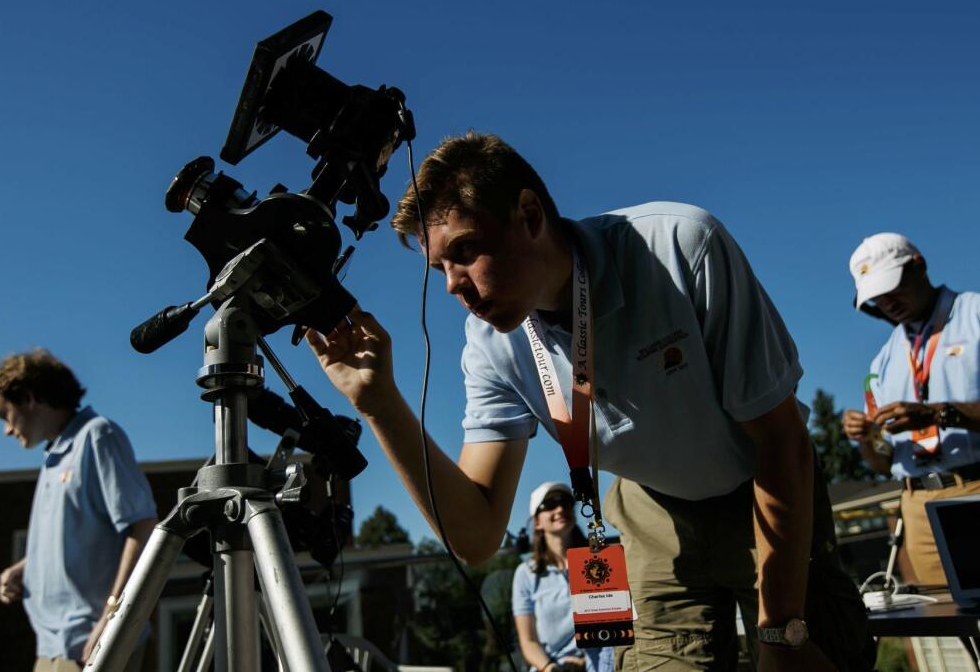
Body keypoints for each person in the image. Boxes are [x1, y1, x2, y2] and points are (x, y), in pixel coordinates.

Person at [307, 132, 874, 671]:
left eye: (466, 250)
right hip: (652, 511)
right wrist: (379, 401)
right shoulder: (490, 345)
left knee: (809, 655)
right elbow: (477, 535)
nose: (453, 284)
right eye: (440, 268)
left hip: (764, 487)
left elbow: (780, 441)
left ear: (529, 216)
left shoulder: (679, 246)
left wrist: (781, 629)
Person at [841, 233, 980, 587]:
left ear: (919, 266)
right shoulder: (883, 361)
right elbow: (885, 463)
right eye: (875, 296)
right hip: (920, 505)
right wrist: (865, 439)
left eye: (891, 286)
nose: (886, 301)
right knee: (963, 632)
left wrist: (939, 414)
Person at [0, 349, 157, 671]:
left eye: (5, 415)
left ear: (29, 397)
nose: (6, 429)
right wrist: (25, 568)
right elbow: (76, 539)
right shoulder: (52, 458)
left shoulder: (98, 435)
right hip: (51, 649)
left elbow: (142, 525)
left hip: (94, 645)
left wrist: (112, 618)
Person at [513, 482, 611, 672]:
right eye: (549, 504)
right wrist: (550, 668)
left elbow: (614, 624)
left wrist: (589, 661)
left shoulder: (600, 563)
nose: (560, 508)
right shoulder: (525, 574)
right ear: (537, 522)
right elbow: (529, 641)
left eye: (566, 502)